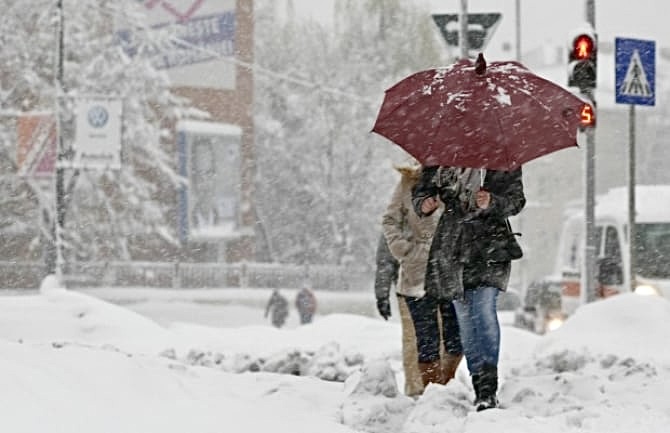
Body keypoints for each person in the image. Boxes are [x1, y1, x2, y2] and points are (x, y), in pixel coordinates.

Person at [412, 166, 525, 411]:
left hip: (490, 246)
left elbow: (516, 200)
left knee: (483, 310)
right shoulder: (441, 157)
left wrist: (492, 202)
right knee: (465, 318)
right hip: (452, 248)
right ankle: (478, 384)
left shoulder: (501, 158)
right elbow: (420, 192)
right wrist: (424, 203)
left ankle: (488, 385)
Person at [379, 161, 463, 396]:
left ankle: (444, 387)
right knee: (425, 340)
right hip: (417, 272)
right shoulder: (410, 181)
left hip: (452, 269)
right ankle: (428, 394)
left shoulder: (462, 177)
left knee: (455, 339)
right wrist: (405, 250)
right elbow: (390, 220)